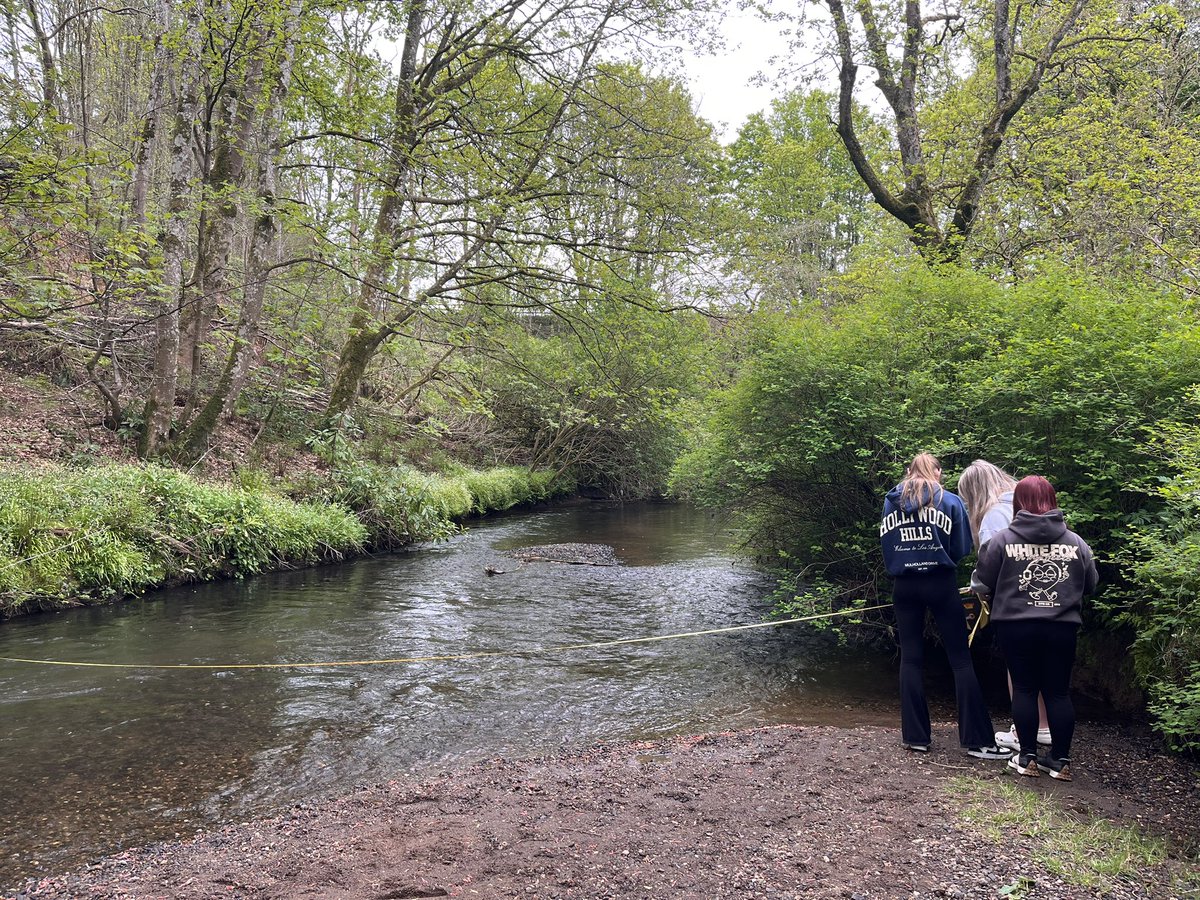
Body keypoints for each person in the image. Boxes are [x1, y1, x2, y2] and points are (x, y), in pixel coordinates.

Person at [880, 453, 1010, 760]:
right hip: (941, 581)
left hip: (904, 584)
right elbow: (962, 546)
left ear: (908, 472)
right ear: (937, 472)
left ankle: (916, 738)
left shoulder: (890, 502)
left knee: (910, 659)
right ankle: (977, 741)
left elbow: (886, 543)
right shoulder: (949, 501)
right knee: (960, 660)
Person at [972, 475, 1099, 781]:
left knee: (1025, 688)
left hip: (1016, 626)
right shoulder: (1076, 542)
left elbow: (981, 581)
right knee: (1057, 692)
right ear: (1052, 501)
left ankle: (1026, 756)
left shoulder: (1002, 540)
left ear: (1019, 503)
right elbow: (1091, 583)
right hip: (1062, 627)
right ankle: (1060, 760)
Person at [957, 460, 1052, 750]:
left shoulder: (993, 517)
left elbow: (991, 568)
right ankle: (1046, 727)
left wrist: (977, 588)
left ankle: (1027, 732)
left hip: (1014, 604)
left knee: (1018, 670)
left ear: (974, 492)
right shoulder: (1035, 508)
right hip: (1052, 599)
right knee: (1046, 667)